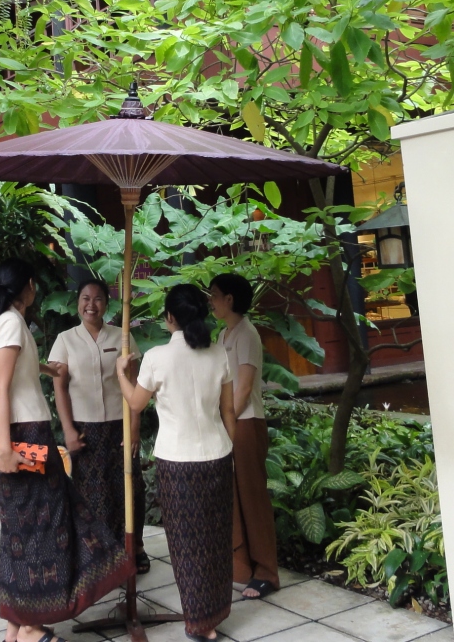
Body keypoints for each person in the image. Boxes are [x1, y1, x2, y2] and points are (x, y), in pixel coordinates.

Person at [0, 258, 132, 642]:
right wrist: (5, 448)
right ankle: (31, 628)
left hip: (24, 431)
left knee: (23, 529)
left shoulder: (6, 321)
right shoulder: (12, 322)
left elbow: (17, 372)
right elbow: (1, 386)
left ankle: (16, 626)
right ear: (29, 286)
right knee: (41, 527)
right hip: (24, 433)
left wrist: (49, 371)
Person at [117, 284, 236, 642]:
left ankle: (199, 623)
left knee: (186, 544)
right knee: (216, 540)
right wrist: (231, 450)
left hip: (177, 462)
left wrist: (122, 373)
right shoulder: (218, 353)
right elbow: (228, 412)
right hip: (218, 455)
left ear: (170, 317)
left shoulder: (156, 357)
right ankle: (213, 614)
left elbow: (136, 404)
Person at [48, 278, 147, 572]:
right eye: (85, 298)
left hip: (120, 426)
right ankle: (100, 553)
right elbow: (59, 387)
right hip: (85, 429)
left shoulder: (123, 338)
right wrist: (68, 429)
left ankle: (135, 547)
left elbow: (135, 384)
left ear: (107, 303)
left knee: (130, 488)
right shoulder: (65, 340)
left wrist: (135, 427)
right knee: (92, 493)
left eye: (98, 299)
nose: (91, 305)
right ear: (78, 302)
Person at [210, 273, 280, 599]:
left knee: (252, 498)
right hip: (230, 423)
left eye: (215, 295)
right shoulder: (224, 334)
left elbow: (245, 386)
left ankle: (267, 572)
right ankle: (242, 566)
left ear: (230, 299)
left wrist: (227, 424)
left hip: (245, 423)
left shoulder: (247, 334)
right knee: (234, 497)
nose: (211, 301)